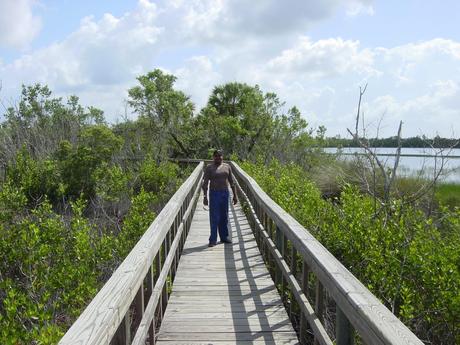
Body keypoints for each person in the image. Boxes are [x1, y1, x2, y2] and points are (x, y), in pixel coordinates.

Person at [202, 150, 238, 247]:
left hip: (225, 193)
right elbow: (205, 183)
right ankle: (212, 239)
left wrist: (235, 195)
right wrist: (205, 196)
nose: (218, 158)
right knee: (214, 217)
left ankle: (224, 237)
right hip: (214, 194)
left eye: (220, 156)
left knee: (224, 216)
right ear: (213, 157)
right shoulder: (209, 168)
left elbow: (232, 182)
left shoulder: (227, 167)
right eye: (216, 156)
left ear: (222, 156)